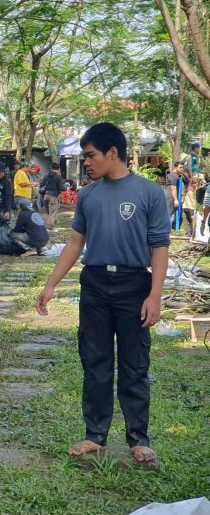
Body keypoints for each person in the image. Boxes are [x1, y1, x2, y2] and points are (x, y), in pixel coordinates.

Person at [36, 122, 169, 465]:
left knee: (134, 364)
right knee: (95, 361)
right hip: (95, 284)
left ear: (113, 152)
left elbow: (159, 247)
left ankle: (138, 437)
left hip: (134, 285)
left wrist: (154, 296)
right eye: (84, 156)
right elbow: (75, 243)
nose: (87, 162)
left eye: (91, 155)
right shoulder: (88, 195)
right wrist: (51, 285)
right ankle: (95, 435)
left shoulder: (150, 193)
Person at [41, 163, 66, 229]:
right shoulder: (58, 177)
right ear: (58, 169)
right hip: (53, 196)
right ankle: (49, 227)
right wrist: (66, 188)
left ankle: (47, 224)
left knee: (48, 212)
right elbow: (61, 188)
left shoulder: (46, 176)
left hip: (45, 195)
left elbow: (41, 185)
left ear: (51, 168)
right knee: (52, 212)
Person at [167, 162, 186, 231]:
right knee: (169, 213)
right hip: (171, 196)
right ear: (175, 167)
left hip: (172, 196)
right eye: (180, 167)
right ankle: (166, 229)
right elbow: (173, 189)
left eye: (182, 167)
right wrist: (175, 200)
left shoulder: (176, 175)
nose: (182, 169)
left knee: (172, 212)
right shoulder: (174, 176)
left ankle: (171, 228)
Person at [182, 174, 199, 238]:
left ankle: (189, 233)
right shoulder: (191, 190)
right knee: (191, 221)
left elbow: (192, 180)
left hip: (186, 207)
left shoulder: (189, 187)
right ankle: (191, 234)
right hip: (190, 207)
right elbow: (194, 180)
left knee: (188, 221)